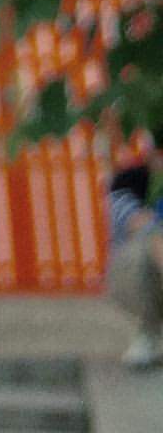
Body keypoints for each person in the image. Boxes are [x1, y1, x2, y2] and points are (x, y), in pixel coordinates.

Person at [106, 134, 163, 371]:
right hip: (144, 272)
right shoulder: (129, 182)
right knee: (152, 244)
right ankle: (148, 329)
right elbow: (136, 222)